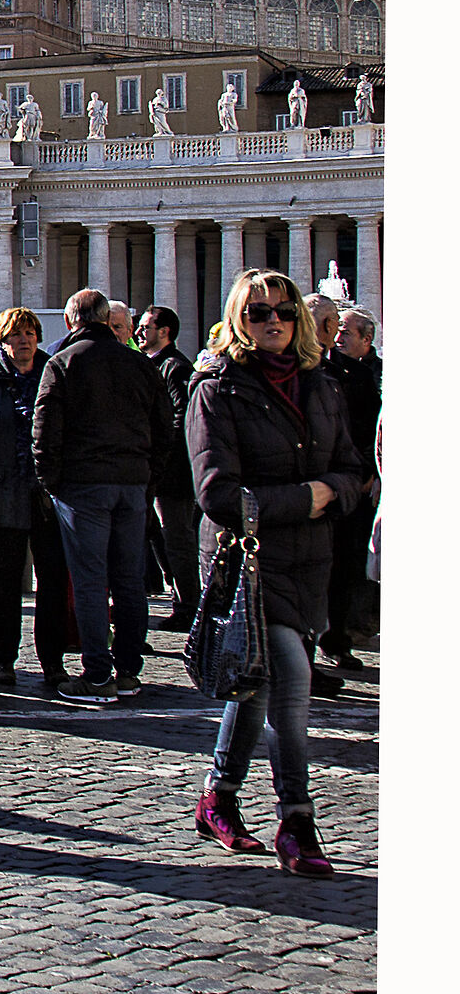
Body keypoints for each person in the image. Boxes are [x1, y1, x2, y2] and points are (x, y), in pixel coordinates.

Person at [188, 270, 366, 877]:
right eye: (259, 311)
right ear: (240, 317)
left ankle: (218, 797)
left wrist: (328, 493)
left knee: (255, 686)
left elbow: (353, 470)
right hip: (249, 565)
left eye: (285, 311)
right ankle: (298, 821)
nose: (274, 321)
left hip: (309, 562)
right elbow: (218, 492)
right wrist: (307, 497)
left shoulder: (322, 386)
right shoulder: (218, 388)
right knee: (290, 680)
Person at [33, 289, 172, 704]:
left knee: (91, 581)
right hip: (132, 481)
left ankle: (97, 674)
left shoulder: (63, 363)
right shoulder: (139, 363)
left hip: (83, 485)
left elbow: (44, 432)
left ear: (72, 320)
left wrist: (50, 482)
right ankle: (129, 669)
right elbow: (165, 428)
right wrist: (148, 479)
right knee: (129, 580)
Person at [0, 310, 71, 694]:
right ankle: (4, 655)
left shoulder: (55, 373)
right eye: (15, 335)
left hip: (47, 496)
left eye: (30, 333)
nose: (23, 341)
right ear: (2, 341)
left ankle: (52, 660)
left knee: (53, 579)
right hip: (0, 493)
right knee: (4, 581)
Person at [318, 306, 381, 676]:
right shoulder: (311, 371)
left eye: (345, 330)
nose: (338, 335)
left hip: (351, 484)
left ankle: (338, 638)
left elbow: (372, 429)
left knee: (346, 566)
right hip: (317, 483)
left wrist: (369, 473)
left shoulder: (358, 375)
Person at [138, 305, 201, 632]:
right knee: (162, 539)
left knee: (176, 539)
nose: (139, 332)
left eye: (146, 327)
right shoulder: (155, 365)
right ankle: (182, 598)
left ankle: (188, 605)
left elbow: (180, 418)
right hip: (157, 471)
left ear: (165, 331)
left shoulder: (174, 367)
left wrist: (158, 455)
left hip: (171, 475)